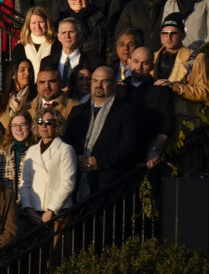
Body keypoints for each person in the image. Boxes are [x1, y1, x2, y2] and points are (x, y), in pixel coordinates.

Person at [62, 65, 158, 199]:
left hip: (108, 182)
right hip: (77, 180)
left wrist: (99, 161)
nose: (98, 85)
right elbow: (67, 141)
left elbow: (127, 145)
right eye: (95, 81)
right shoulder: (78, 111)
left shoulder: (127, 112)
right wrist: (76, 158)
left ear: (114, 84)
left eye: (104, 81)